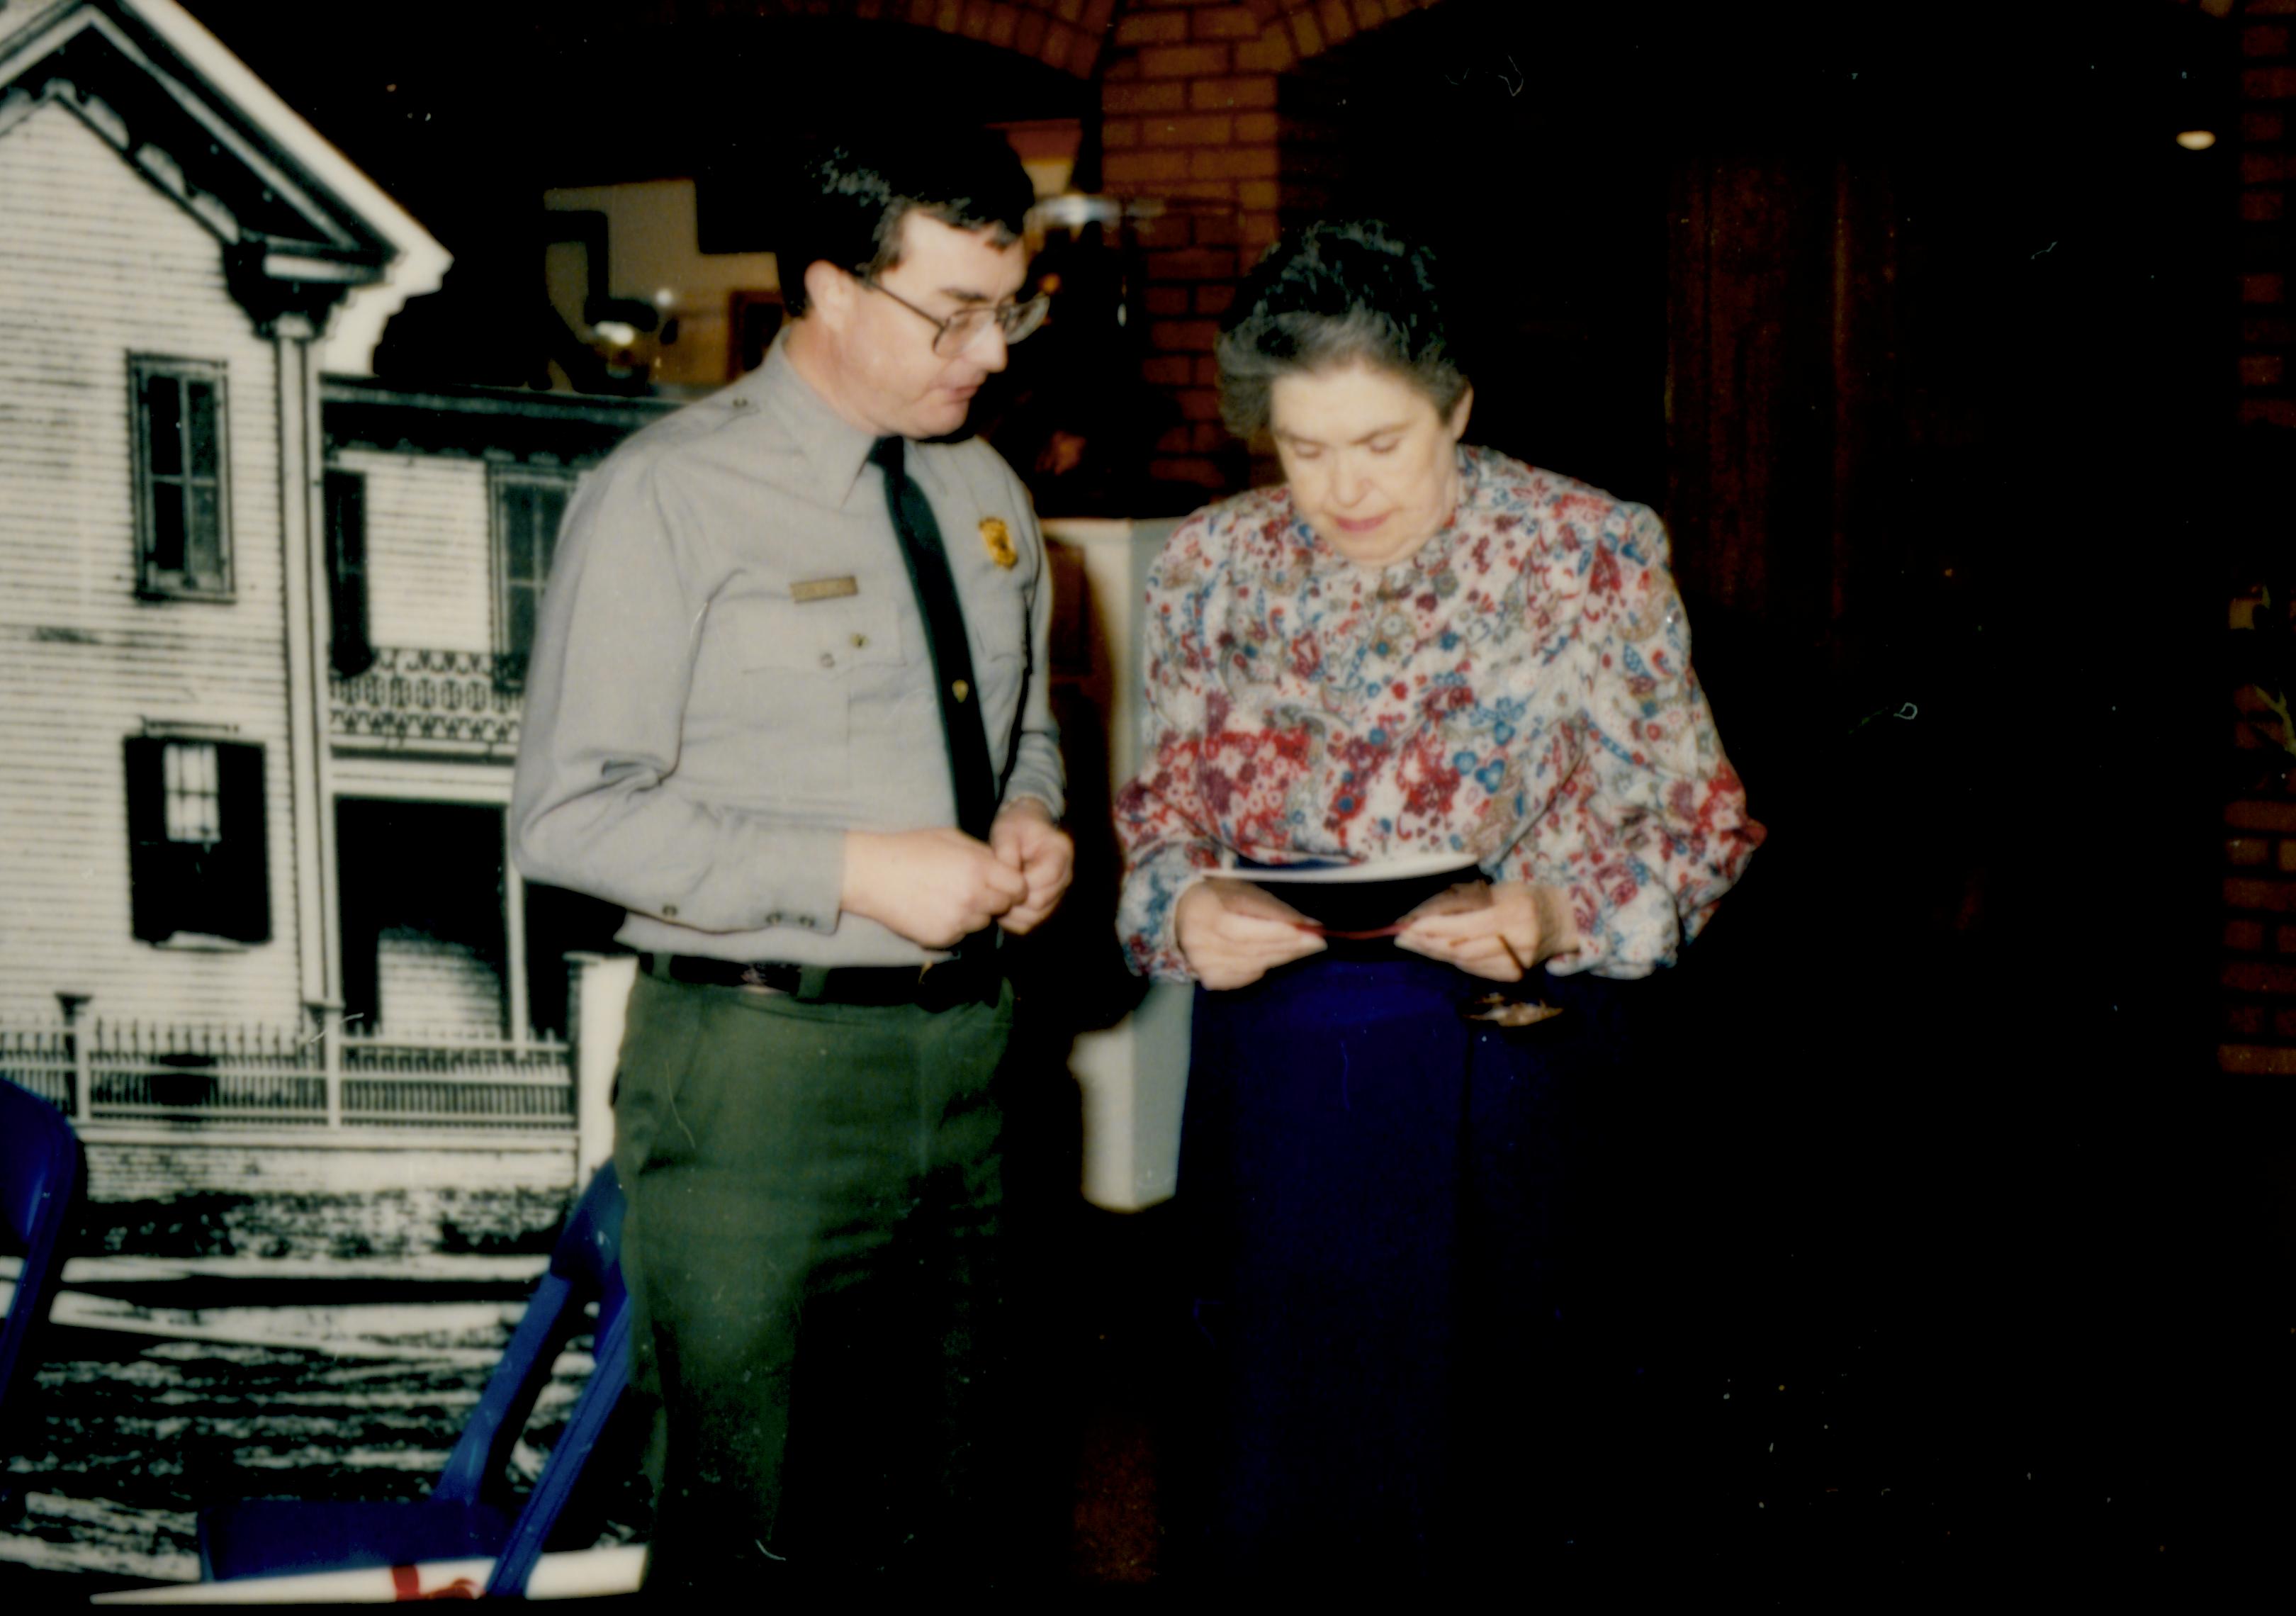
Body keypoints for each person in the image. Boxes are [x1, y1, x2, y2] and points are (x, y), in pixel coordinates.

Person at [1113, 220, 1763, 1588]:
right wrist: (1179, 911)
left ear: (1455, 408)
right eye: (1302, 449)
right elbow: (1163, 814)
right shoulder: (1209, 567)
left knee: (1504, 1484)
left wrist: (1555, 909)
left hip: (1513, 1063)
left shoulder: (1584, 551)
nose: (1342, 489)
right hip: (1283, 1079)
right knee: (1283, 1483)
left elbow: (1701, 821)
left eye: (1382, 443)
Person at [510, 130, 1074, 1595]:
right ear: (828, 288)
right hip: (757, 1076)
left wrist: (1029, 818)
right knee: (751, 1520)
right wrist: (850, 870)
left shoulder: (991, 492)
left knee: (972, 1507)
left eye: (1011, 306)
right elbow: (571, 822)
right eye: (952, 314)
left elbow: (1026, 734)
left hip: (978, 1068)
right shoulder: (665, 497)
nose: (993, 353)